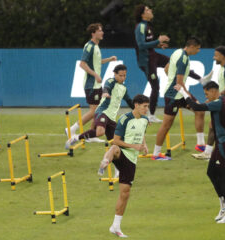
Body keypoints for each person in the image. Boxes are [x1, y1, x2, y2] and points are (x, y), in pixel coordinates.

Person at [134, 5, 206, 123]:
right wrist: (158, 41)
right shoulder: (141, 26)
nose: (151, 10)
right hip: (146, 60)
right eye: (147, 10)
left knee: (173, 62)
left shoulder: (148, 26)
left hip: (153, 55)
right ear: (142, 14)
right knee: (155, 86)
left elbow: (147, 44)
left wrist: (157, 45)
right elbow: (141, 45)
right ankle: (151, 115)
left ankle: (200, 79)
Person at [178, 82, 225, 223]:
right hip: (222, 143)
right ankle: (223, 207)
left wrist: (183, 92)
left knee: (222, 177)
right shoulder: (224, 100)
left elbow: (197, 107)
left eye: (206, 93)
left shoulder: (218, 103)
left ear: (213, 90)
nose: (206, 96)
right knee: (211, 172)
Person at [98, 94, 150, 237]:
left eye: (147, 106)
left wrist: (144, 145)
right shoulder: (125, 119)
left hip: (131, 160)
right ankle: (104, 163)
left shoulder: (145, 120)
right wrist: (134, 146)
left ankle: (115, 226)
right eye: (145, 106)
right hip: (122, 152)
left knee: (125, 194)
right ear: (136, 105)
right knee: (114, 149)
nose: (147, 109)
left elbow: (142, 133)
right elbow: (115, 141)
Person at [151, 37, 206, 160]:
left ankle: (200, 144)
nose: (198, 51)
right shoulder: (183, 59)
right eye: (197, 48)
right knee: (166, 125)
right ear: (191, 46)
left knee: (200, 111)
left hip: (178, 93)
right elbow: (180, 82)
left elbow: (166, 68)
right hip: (173, 96)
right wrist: (188, 97)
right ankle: (156, 154)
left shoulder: (177, 52)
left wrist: (171, 79)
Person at [67, 23, 117, 143]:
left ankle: (92, 134)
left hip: (96, 84)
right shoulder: (89, 46)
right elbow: (82, 64)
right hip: (91, 84)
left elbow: (97, 62)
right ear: (93, 33)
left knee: (99, 109)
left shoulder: (96, 47)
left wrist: (109, 59)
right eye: (100, 31)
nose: (102, 32)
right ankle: (71, 129)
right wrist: (95, 75)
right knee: (94, 111)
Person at [192, 46, 225, 164]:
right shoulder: (222, 68)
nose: (214, 57)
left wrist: (214, 100)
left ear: (222, 56)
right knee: (212, 125)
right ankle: (208, 153)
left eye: (216, 55)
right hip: (224, 102)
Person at [65, 64, 134, 149]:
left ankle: (109, 160)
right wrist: (105, 92)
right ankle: (75, 138)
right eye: (120, 76)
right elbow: (107, 87)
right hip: (103, 111)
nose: (123, 78)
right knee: (100, 132)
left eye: (124, 76)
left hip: (112, 118)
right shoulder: (111, 81)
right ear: (115, 74)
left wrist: (138, 112)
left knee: (116, 144)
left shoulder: (124, 88)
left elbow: (129, 101)